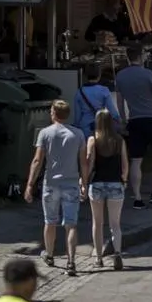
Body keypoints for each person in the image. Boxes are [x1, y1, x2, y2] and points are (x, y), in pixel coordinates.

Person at [24, 100, 87, 276]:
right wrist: (84, 182)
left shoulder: (45, 133)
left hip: (51, 183)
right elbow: (83, 162)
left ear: (53, 113)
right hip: (71, 183)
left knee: (50, 221)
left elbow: (37, 160)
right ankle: (71, 261)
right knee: (71, 224)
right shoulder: (78, 134)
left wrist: (30, 184)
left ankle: (50, 255)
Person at [115, 45, 152, 209]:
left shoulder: (120, 76)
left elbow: (120, 102)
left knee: (136, 159)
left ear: (128, 57)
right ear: (141, 57)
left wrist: (123, 120)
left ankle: (138, 198)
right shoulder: (148, 74)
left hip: (135, 120)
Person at [86, 109, 127, 271]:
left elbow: (90, 164)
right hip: (115, 183)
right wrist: (124, 180)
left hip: (97, 184)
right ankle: (117, 253)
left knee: (97, 223)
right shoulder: (119, 140)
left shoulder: (93, 140)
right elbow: (125, 165)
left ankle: (98, 258)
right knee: (115, 224)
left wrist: (83, 180)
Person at [71, 64, 119, 138]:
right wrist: (118, 120)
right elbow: (112, 111)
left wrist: (76, 126)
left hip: (85, 128)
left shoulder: (79, 92)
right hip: (101, 125)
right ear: (99, 76)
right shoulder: (104, 90)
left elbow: (77, 116)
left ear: (86, 76)